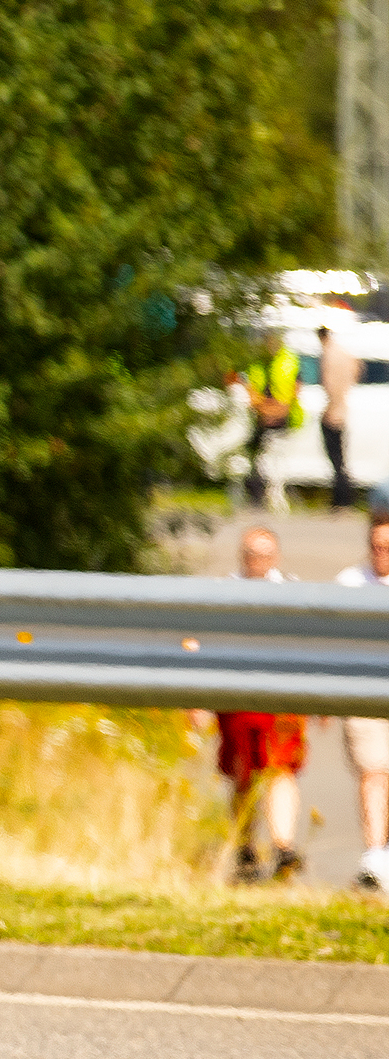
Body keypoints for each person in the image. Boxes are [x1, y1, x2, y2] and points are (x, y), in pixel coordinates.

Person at [216, 526, 308, 881]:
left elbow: (305, 644)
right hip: (237, 696)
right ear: (242, 556)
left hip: (282, 695)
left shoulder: (291, 591)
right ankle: (246, 848)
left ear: (276, 557)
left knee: (282, 767)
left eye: (265, 554)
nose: (259, 561)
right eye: (252, 554)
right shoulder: (226, 590)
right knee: (243, 772)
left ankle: (283, 846)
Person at [338, 520, 389, 889]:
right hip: (365, 690)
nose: (381, 553)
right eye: (376, 545)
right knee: (373, 770)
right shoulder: (350, 583)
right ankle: (373, 853)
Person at [239, 333, 303, 509]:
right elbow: (250, 392)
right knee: (254, 456)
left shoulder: (289, 361)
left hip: (283, 420)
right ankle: (256, 496)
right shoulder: (256, 363)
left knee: (277, 459)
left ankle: (275, 493)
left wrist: (275, 411)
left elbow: (293, 393)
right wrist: (263, 410)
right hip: (260, 418)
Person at [321, 325, 358, 511]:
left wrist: (332, 408)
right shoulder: (344, 352)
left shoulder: (329, 354)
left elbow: (329, 384)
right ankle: (345, 498)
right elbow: (357, 369)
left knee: (336, 458)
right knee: (341, 459)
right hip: (343, 409)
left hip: (334, 412)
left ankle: (342, 498)